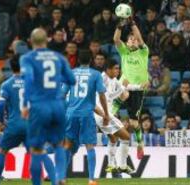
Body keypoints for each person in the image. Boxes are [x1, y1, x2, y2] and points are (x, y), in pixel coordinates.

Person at [20, 28, 75, 185]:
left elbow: (29, 79)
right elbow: (71, 80)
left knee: (37, 149)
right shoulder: (58, 57)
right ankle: (60, 178)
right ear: (47, 40)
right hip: (58, 105)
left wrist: (25, 105)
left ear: (31, 41)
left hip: (39, 106)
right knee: (58, 144)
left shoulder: (28, 58)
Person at [0, 55, 56, 185]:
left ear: (11, 67)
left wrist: (1, 120)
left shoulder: (6, 84)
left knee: (2, 151)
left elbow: (0, 105)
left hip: (14, 125)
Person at [63, 52, 110, 185]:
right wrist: (106, 113)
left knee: (67, 145)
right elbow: (101, 95)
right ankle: (91, 179)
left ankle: (61, 176)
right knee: (89, 146)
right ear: (91, 60)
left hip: (70, 113)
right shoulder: (95, 74)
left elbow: (62, 95)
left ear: (78, 60)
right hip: (86, 114)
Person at [113, 16, 150, 159]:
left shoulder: (143, 52)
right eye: (130, 39)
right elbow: (116, 40)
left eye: (135, 39)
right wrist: (120, 26)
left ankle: (140, 144)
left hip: (139, 89)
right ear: (127, 43)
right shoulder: (124, 52)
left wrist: (132, 24)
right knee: (113, 107)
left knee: (134, 123)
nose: (133, 40)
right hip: (125, 87)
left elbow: (140, 40)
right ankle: (107, 120)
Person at [93, 59, 133, 174]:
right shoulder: (102, 79)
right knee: (126, 137)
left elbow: (117, 95)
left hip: (102, 114)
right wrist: (123, 91)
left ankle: (111, 165)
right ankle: (123, 165)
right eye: (115, 68)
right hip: (103, 114)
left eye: (118, 68)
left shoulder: (113, 79)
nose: (118, 71)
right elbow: (110, 96)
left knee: (113, 138)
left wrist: (124, 89)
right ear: (108, 69)